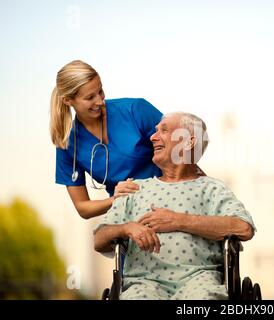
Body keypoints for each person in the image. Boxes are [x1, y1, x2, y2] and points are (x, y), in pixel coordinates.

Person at [93, 112, 256, 300]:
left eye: (164, 130)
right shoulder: (134, 188)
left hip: (200, 281)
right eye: (155, 131)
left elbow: (243, 228)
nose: (153, 137)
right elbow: (99, 239)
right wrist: (127, 228)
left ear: (188, 142)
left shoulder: (212, 189)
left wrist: (178, 220)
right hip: (143, 283)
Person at [50, 60, 163, 219]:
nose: (99, 101)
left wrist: (192, 185)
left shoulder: (135, 109)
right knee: (101, 240)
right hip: (127, 212)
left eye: (100, 91)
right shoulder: (67, 143)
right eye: (90, 97)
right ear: (68, 100)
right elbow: (83, 208)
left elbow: (184, 146)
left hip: (168, 196)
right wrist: (116, 198)